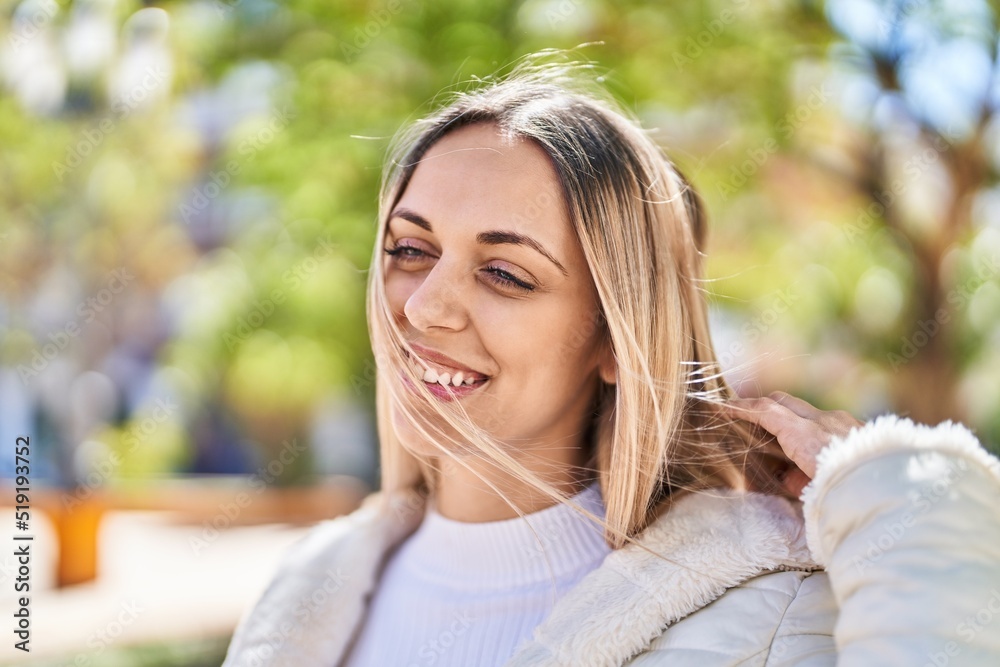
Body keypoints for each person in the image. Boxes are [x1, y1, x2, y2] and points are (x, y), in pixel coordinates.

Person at [221, 60, 1000, 666]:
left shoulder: (768, 618)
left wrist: (907, 500)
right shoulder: (308, 592)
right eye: (410, 249)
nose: (424, 306)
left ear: (615, 341)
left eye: (505, 273)